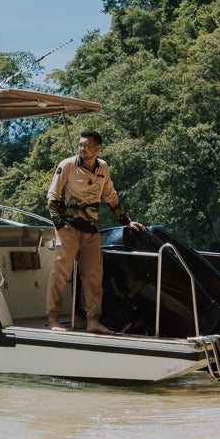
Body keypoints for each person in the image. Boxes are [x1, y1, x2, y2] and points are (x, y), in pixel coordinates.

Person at [44, 129, 144, 333]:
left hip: (90, 231)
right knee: (61, 274)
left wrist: (126, 221)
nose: (82, 148)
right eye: (80, 144)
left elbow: (110, 195)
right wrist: (60, 225)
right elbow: (52, 197)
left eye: (86, 145)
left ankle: (93, 321)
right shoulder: (67, 165)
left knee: (93, 278)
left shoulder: (103, 168)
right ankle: (53, 319)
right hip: (69, 228)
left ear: (97, 148)